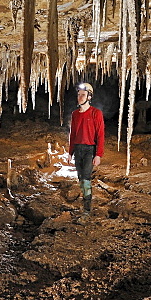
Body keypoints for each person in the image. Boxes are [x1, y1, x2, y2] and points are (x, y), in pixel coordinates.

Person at [68, 82, 105, 213]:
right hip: (78, 149)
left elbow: (100, 135)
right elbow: (73, 134)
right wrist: (70, 152)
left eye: (83, 95)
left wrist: (98, 154)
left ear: (89, 97)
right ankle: (85, 200)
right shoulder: (75, 114)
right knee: (80, 178)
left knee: (86, 178)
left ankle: (87, 208)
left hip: (90, 149)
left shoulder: (96, 113)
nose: (80, 97)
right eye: (79, 95)